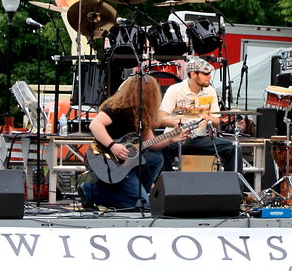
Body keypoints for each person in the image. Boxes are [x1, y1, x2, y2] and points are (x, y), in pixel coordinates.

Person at [79, 73, 188, 209]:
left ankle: (138, 193)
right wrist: (113, 146)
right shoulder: (116, 109)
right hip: (106, 159)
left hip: (127, 164)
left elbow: (151, 143)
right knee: (141, 206)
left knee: (156, 158)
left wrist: (171, 138)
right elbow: (95, 125)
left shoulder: (143, 115)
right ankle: (91, 191)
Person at [159, 57, 237, 171]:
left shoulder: (210, 91)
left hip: (199, 139)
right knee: (161, 149)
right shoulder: (175, 90)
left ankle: (235, 187)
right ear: (193, 74)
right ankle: (168, 185)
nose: (209, 76)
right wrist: (179, 123)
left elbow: (217, 122)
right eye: (206, 73)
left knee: (233, 148)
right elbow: (160, 119)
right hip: (175, 137)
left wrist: (209, 118)